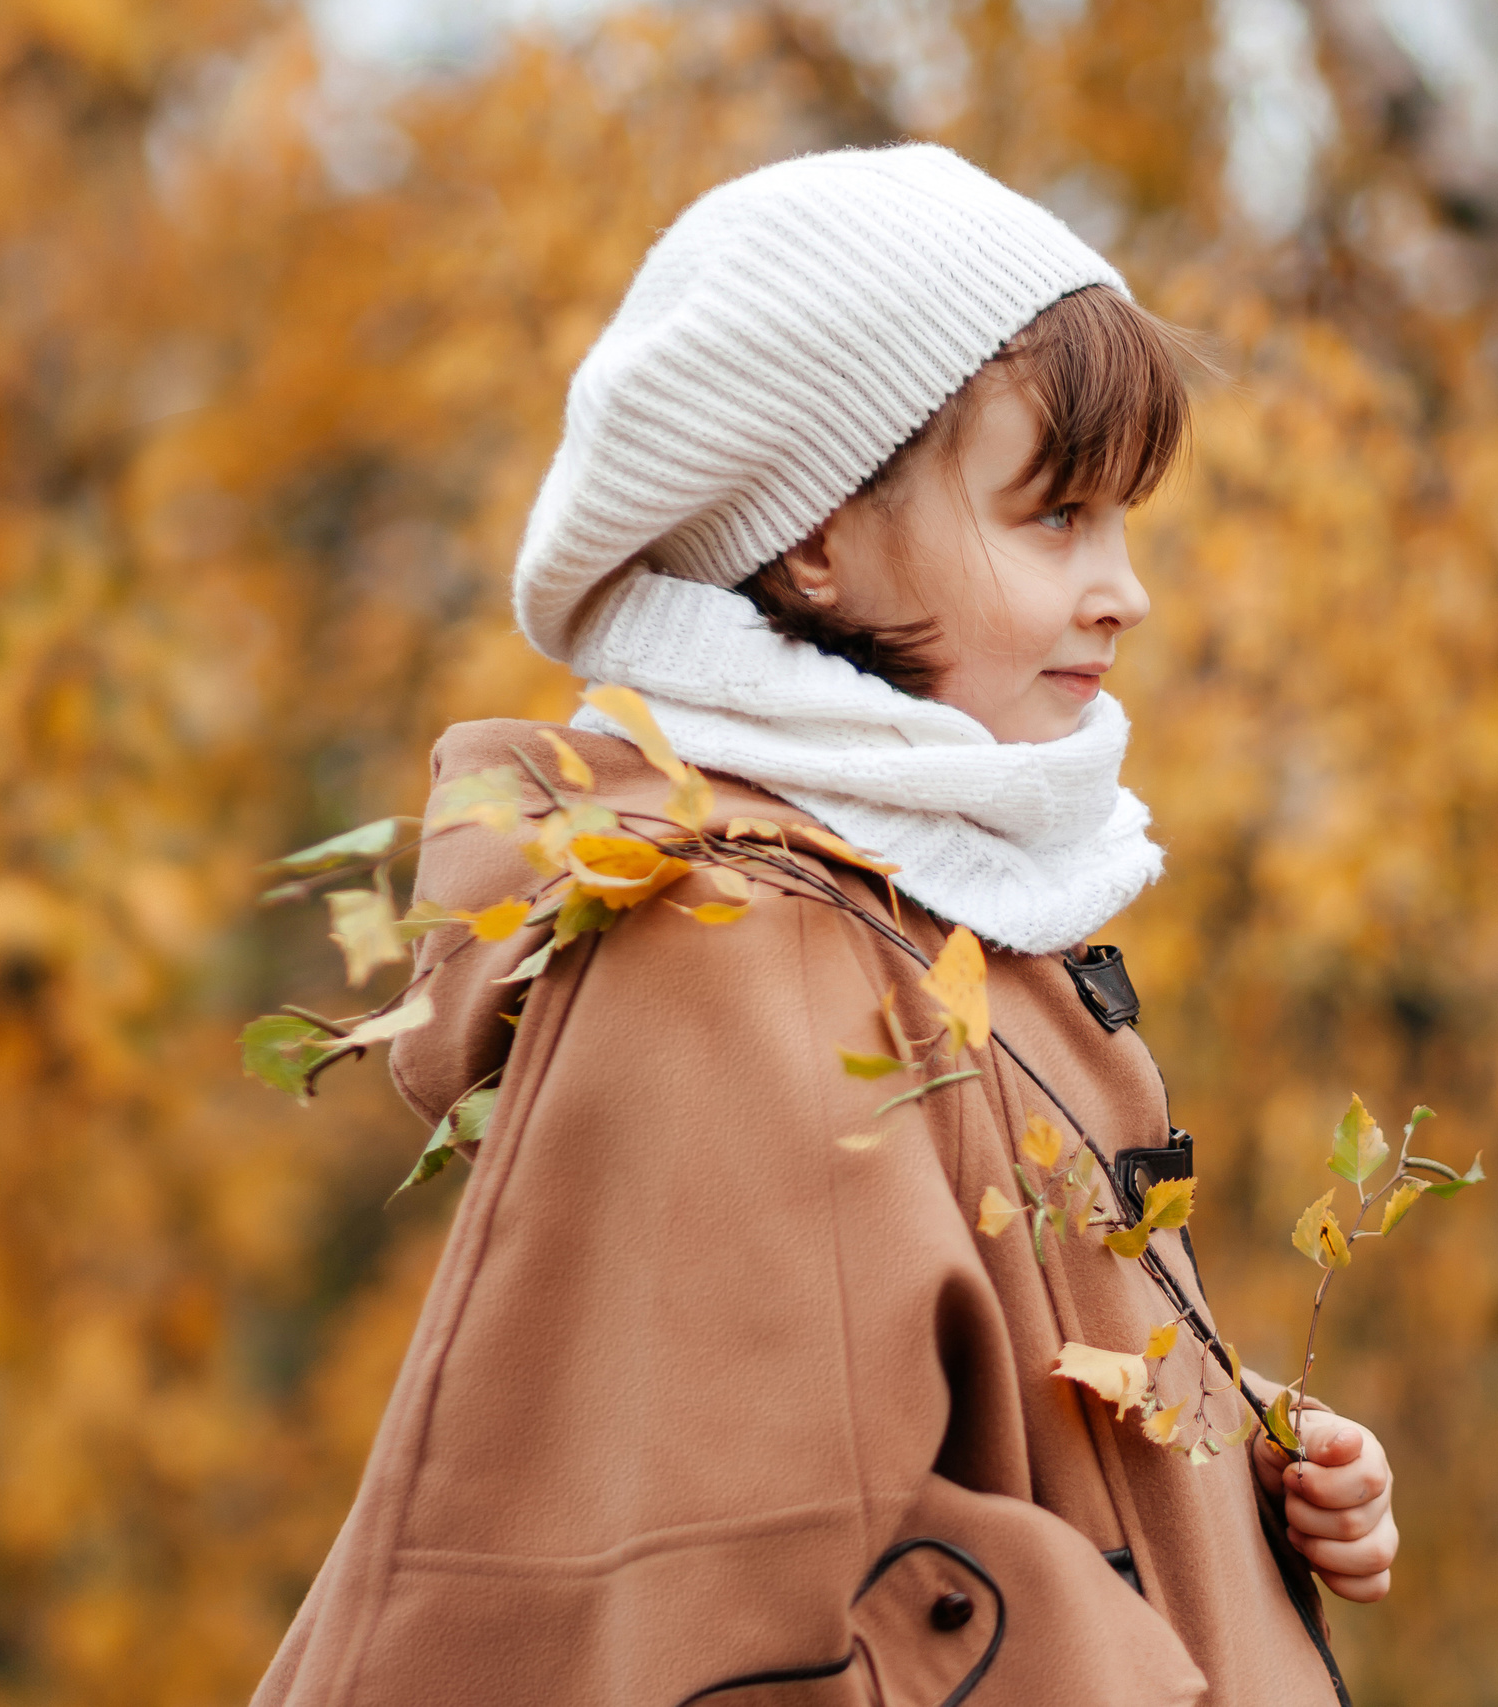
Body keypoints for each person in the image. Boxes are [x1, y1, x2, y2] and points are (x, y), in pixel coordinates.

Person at [254, 144, 1395, 1707]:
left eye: (1124, 519)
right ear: (816, 542)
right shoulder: (744, 946)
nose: (1124, 587)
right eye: (1055, 518)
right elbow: (805, 1579)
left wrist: (1236, 1453)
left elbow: (976, 1373)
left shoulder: (933, 887)